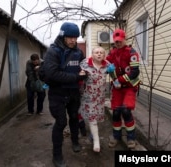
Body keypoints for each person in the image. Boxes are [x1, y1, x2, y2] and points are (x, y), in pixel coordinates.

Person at [43, 22, 87, 167]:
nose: (73, 40)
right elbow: (52, 73)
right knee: (61, 123)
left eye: (75, 37)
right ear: (62, 36)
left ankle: (75, 141)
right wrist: (76, 77)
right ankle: (57, 156)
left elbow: (84, 67)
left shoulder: (78, 52)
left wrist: (86, 72)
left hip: (74, 92)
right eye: (70, 37)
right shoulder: (53, 52)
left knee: (74, 118)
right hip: (58, 93)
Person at [106, 29, 141, 149]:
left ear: (124, 39)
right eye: (116, 41)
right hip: (117, 88)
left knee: (126, 111)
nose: (118, 43)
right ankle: (116, 136)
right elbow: (104, 63)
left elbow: (135, 72)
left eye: (120, 41)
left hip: (130, 86)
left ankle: (131, 138)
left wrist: (119, 80)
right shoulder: (112, 53)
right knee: (116, 112)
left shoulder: (131, 52)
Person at [78, 46, 110, 152]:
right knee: (92, 118)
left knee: (96, 118)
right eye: (97, 52)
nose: (99, 54)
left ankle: (93, 134)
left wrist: (116, 80)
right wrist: (81, 75)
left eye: (101, 52)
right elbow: (78, 74)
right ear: (92, 54)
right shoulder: (85, 64)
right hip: (88, 97)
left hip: (100, 97)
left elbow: (114, 74)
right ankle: (97, 142)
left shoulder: (107, 65)